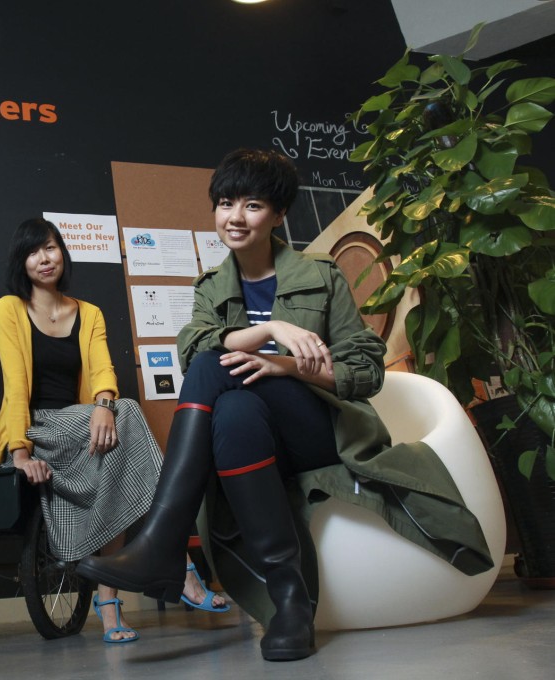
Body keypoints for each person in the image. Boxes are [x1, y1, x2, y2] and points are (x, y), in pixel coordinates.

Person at [77, 149, 491, 660]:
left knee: (213, 366)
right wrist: (270, 329)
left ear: (278, 215)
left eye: (252, 205)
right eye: (225, 203)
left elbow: (367, 369)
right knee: (232, 406)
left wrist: (289, 366)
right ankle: (290, 603)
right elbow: (192, 348)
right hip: (251, 438)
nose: (235, 217)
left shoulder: (323, 277)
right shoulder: (211, 288)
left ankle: (163, 539)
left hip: (318, 431)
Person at [0, 217, 228, 644]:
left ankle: (109, 604)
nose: (44, 259)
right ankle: (181, 562)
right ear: (21, 262)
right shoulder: (10, 308)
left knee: (116, 457)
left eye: (50, 247)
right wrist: (20, 451)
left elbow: (103, 368)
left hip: (89, 426)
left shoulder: (89, 313)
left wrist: (103, 407)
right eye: (33, 252)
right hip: (41, 428)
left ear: (63, 251)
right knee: (131, 413)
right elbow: (13, 384)